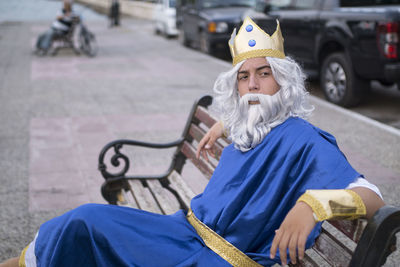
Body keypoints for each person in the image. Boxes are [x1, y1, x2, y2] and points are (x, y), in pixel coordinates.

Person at [2, 17, 384, 267]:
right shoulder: (252, 125)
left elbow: (372, 197)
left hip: (219, 259)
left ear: (283, 81)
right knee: (86, 220)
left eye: (264, 74)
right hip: (185, 232)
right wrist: (228, 122)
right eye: (244, 77)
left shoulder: (304, 140)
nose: (252, 85)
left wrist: (313, 205)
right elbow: (255, 123)